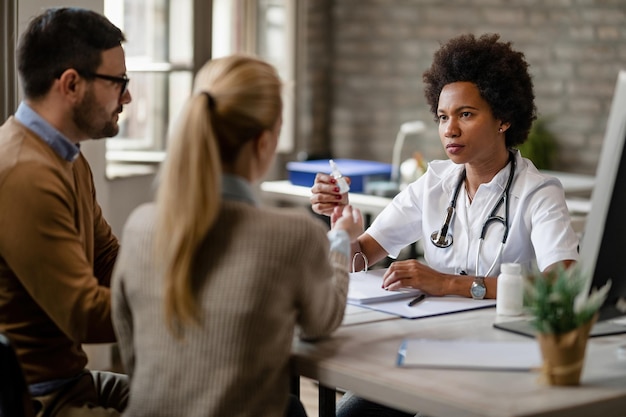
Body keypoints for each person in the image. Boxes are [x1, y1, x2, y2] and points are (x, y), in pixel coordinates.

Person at [310, 33, 579, 417]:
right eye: (442, 117)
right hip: (430, 349)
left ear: (504, 118)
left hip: (501, 361)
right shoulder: (434, 183)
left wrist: (449, 284)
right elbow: (360, 257)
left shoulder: (538, 193)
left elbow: (562, 288)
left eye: (465, 114)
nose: (449, 130)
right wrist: (342, 229)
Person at [110, 54, 364, 417]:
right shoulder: (292, 235)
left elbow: (131, 349)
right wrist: (339, 238)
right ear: (264, 142)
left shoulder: (141, 225)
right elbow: (321, 323)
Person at [0, 7, 131, 417]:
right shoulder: (24, 171)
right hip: (40, 402)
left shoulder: (68, 158)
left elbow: (108, 259)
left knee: (233, 400)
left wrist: (174, 272)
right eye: (118, 83)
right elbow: (82, 315)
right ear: (71, 84)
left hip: (74, 382)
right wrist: (178, 303)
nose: (127, 97)